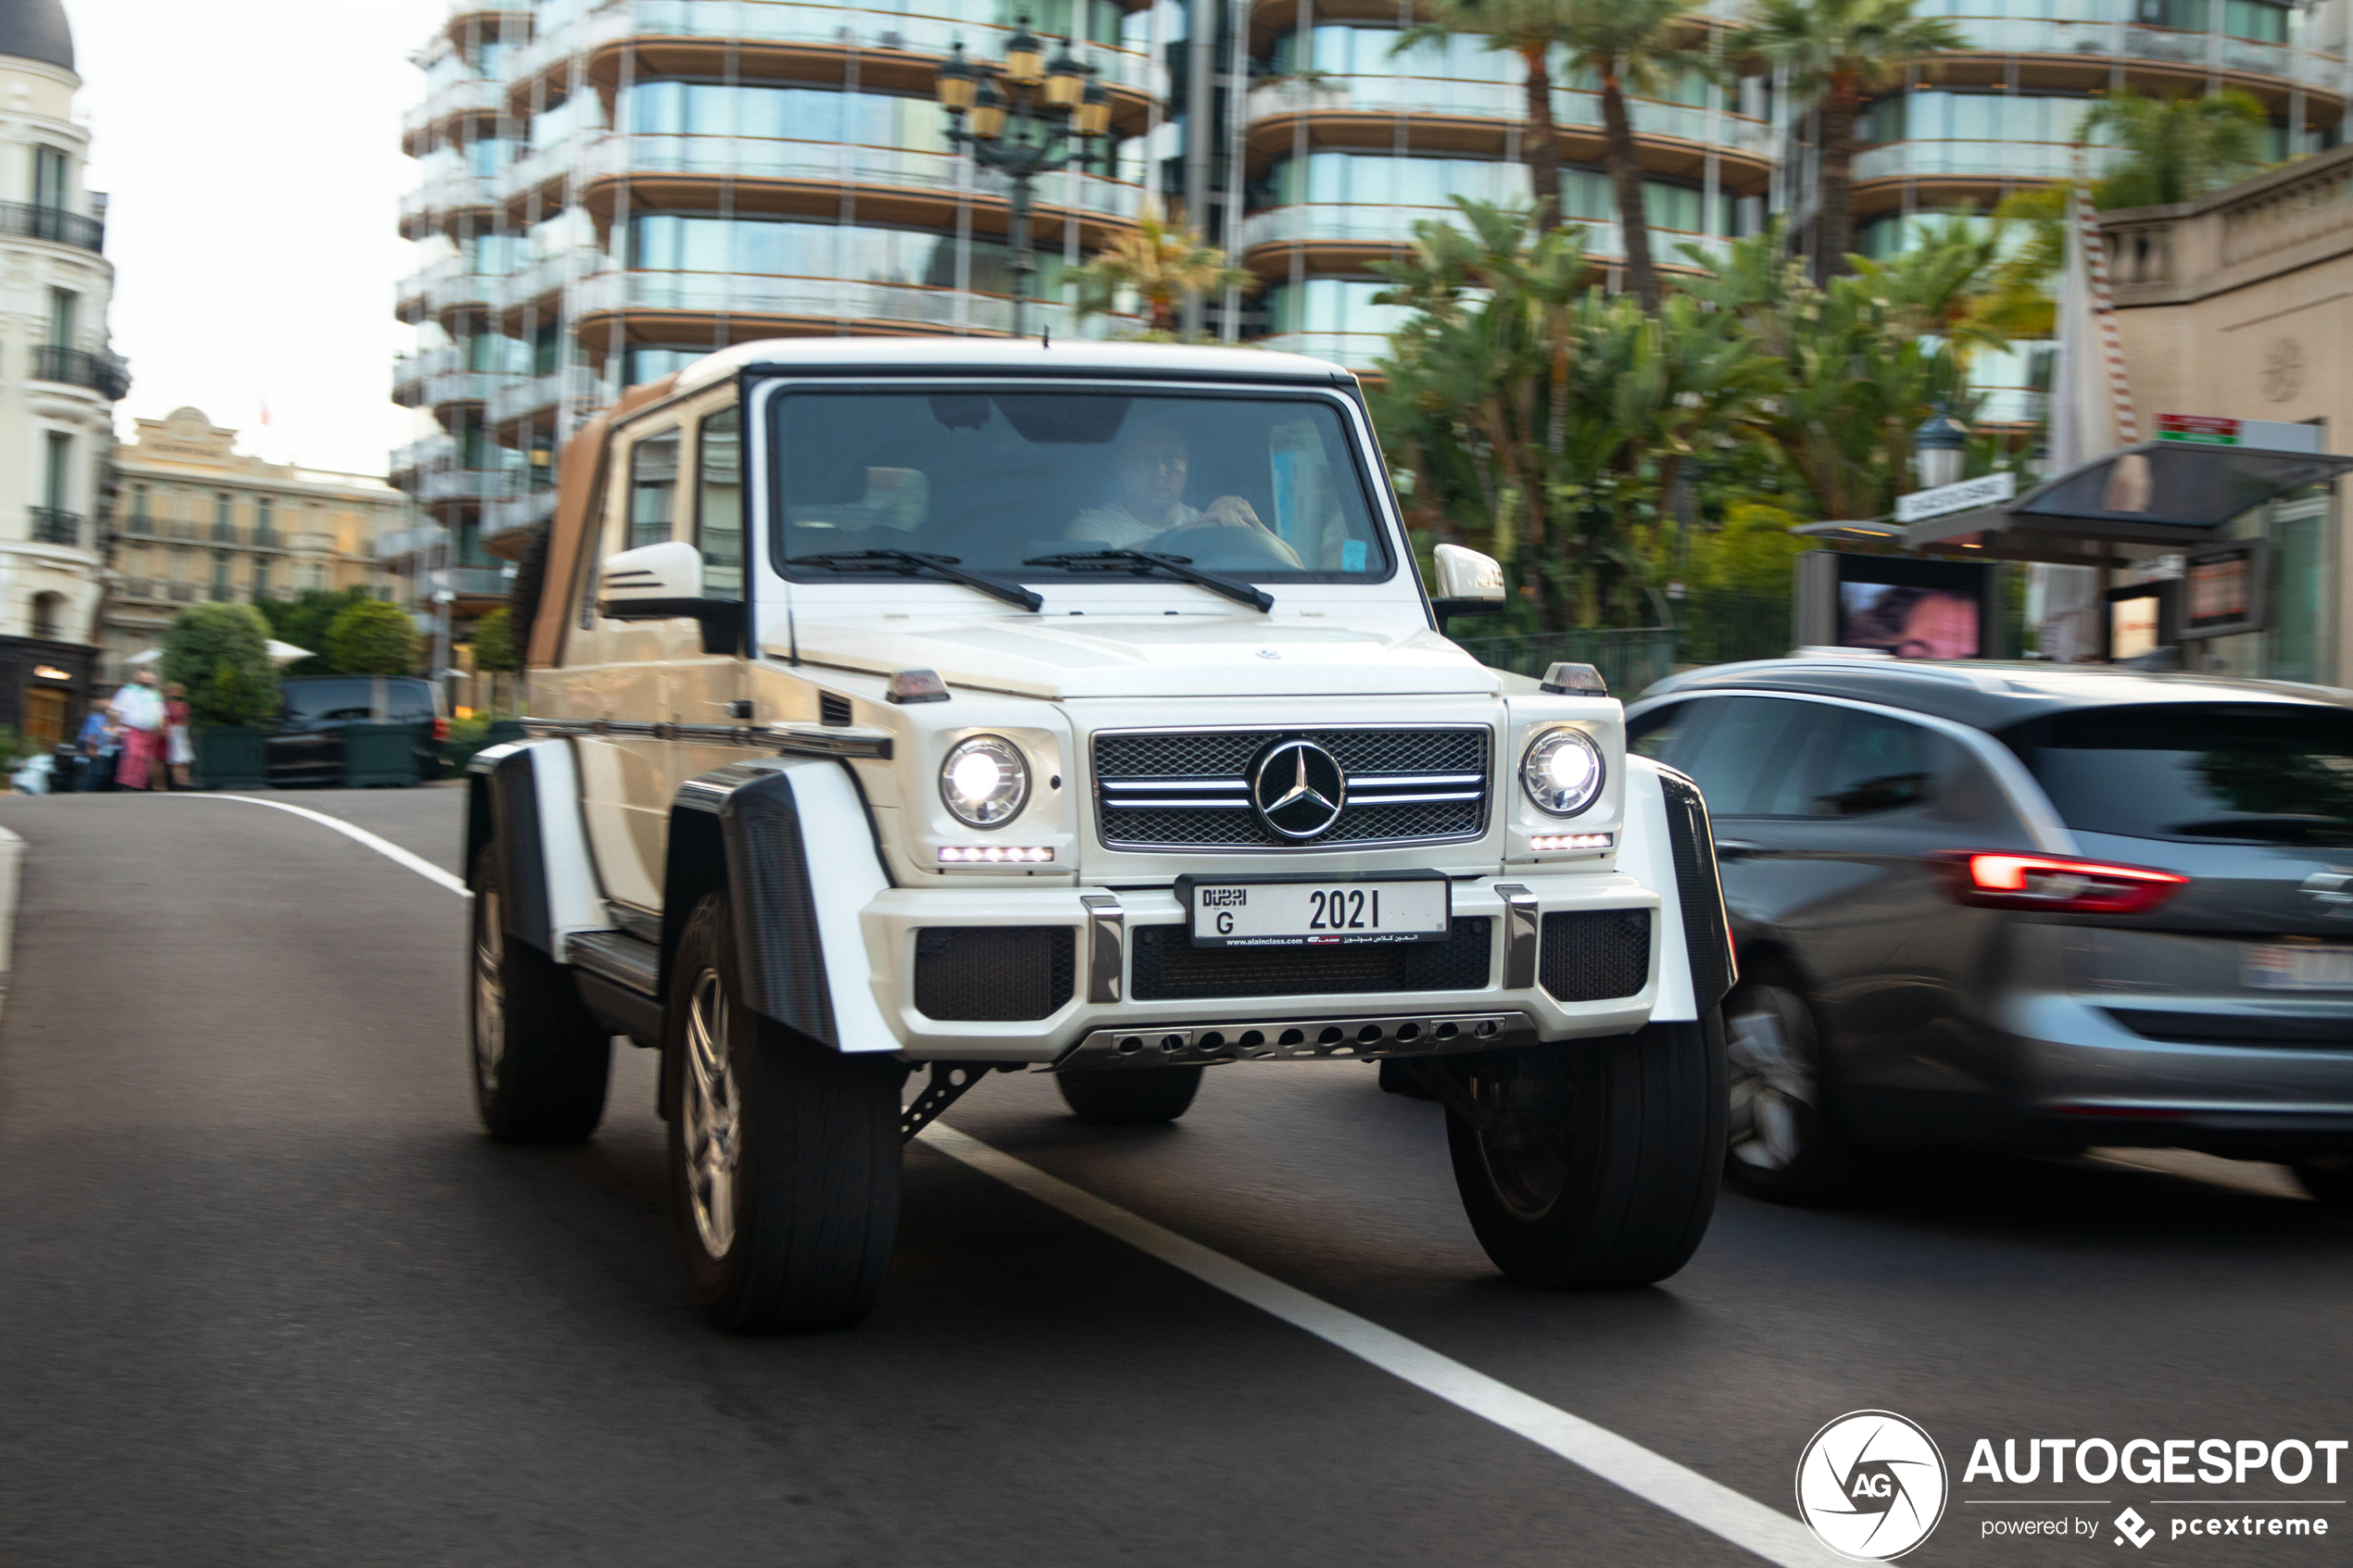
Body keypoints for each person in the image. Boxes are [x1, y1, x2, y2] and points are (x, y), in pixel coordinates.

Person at [1068, 419, 1302, 565]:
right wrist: (1189, 533)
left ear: (1186, 464)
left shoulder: (1208, 524)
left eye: (1172, 458)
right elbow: (1095, 567)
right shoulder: (1093, 527)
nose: (1161, 470)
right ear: (1121, 466)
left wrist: (1255, 526)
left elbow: (1298, 570)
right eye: (1145, 458)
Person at [108, 669, 166, 791]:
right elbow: (116, 710)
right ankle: (126, 782)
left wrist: (161, 726)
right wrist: (119, 728)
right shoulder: (127, 691)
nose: (147, 681)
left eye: (150, 679)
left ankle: (138, 784)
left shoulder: (155, 694)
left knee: (145, 757)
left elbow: (161, 712)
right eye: (144, 678)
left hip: (151, 731)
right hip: (132, 729)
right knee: (133, 754)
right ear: (138, 679)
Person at [75, 706, 115, 793]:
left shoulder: (105, 721)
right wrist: (91, 749)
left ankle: (90, 790)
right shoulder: (97, 719)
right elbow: (91, 735)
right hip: (89, 745)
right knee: (93, 770)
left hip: (97, 746)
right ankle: (85, 790)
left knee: (99, 770)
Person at [162, 682, 194, 790]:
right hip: (172, 731)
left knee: (185, 759)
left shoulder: (185, 706)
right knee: (176, 759)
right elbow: (165, 719)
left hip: (182, 731)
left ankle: (185, 780)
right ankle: (178, 782)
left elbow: (186, 719)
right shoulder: (167, 705)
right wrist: (167, 729)